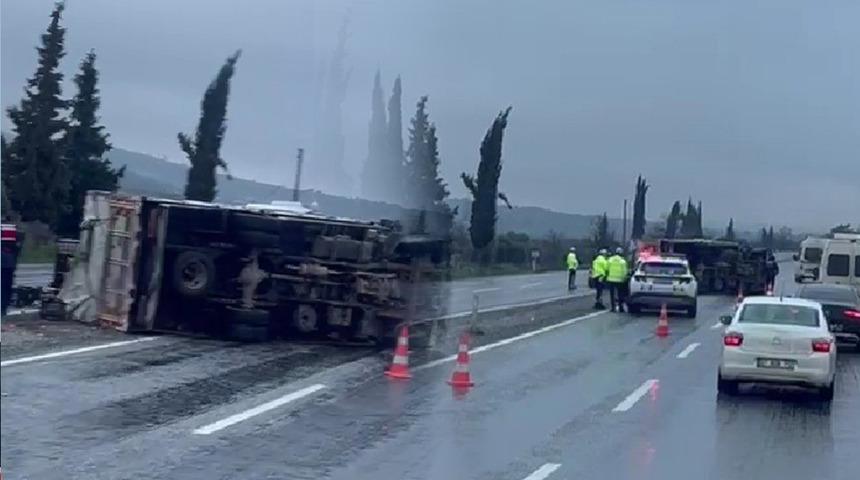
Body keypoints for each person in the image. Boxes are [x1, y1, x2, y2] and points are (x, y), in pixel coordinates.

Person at [606, 247, 629, 313]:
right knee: (620, 294)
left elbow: (607, 268)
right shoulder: (622, 261)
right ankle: (621, 308)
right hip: (620, 280)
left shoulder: (610, 259)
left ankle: (613, 308)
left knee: (612, 294)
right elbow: (624, 271)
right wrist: (625, 278)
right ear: (621, 253)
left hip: (611, 279)